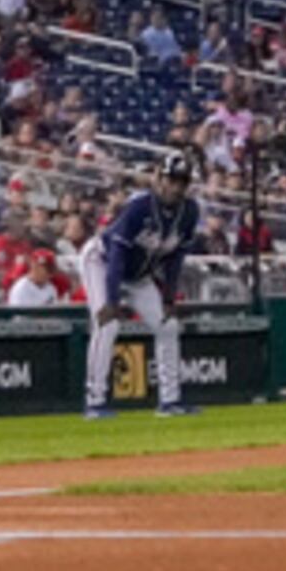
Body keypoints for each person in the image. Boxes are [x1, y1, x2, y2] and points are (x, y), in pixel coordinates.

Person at [79, 160, 199, 419]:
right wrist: (111, 302)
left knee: (167, 325)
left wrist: (168, 298)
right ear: (159, 178)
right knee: (107, 325)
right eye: (171, 180)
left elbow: (175, 259)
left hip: (139, 276)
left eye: (182, 182)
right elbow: (117, 255)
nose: (175, 187)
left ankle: (170, 401)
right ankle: (95, 401)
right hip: (102, 262)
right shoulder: (140, 206)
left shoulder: (189, 212)